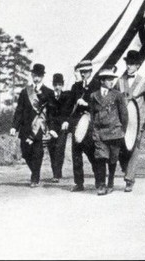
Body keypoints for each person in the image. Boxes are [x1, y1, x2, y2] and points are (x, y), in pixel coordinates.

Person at [117, 50, 145, 192]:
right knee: (122, 150)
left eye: (132, 64)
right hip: (121, 123)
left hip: (137, 123)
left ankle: (129, 179)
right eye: (127, 63)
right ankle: (126, 170)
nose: (128, 66)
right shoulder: (120, 81)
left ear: (137, 65)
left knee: (134, 149)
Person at [10, 63, 53, 187]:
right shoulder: (25, 92)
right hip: (26, 128)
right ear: (32, 75)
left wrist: (51, 128)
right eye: (34, 75)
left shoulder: (48, 92)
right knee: (25, 153)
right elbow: (19, 110)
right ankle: (35, 172)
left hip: (40, 128)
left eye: (39, 75)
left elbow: (51, 112)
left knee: (37, 153)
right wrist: (14, 126)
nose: (36, 78)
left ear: (42, 76)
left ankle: (35, 177)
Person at [89, 65, 128, 196]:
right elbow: (92, 115)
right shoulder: (93, 96)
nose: (112, 82)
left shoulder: (117, 95)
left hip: (115, 133)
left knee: (112, 159)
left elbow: (124, 115)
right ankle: (101, 185)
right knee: (100, 158)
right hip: (100, 133)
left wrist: (122, 131)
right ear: (102, 81)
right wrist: (94, 131)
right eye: (109, 79)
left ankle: (110, 181)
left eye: (113, 79)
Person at [64, 59, 100, 192]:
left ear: (91, 71)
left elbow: (100, 105)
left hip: (90, 124)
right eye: (82, 71)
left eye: (86, 71)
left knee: (92, 154)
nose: (84, 74)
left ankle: (99, 181)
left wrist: (87, 104)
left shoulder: (97, 85)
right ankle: (79, 183)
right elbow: (68, 106)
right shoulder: (76, 87)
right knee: (76, 155)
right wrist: (67, 120)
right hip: (77, 125)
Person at [45, 73, 73, 182]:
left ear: (62, 85)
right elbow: (48, 115)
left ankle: (56, 175)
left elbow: (70, 112)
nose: (57, 87)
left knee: (59, 148)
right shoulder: (49, 97)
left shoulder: (67, 96)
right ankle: (57, 172)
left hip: (63, 127)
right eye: (55, 84)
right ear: (53, 85)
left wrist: (66, 121)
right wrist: (51, 128)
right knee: (52, 148)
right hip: (52, 127)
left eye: (60, 84)